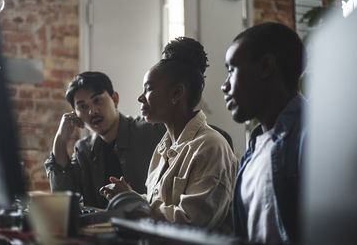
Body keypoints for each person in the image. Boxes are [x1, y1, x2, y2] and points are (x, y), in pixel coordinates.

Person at [100, 37, 237, 231]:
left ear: (176, 94)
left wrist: (131, 200)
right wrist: (132, 196)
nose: (140, 97)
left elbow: (191, 223)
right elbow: (162, 204)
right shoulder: (163, 147)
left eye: (148, 88)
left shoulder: (211, 147)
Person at [221, 22, 306, 244]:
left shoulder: (311, 138)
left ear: (265, 66)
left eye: (231, 70)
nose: (224, 86)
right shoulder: (253, 151)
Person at [45, 72, 166, 208]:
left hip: (149, 224)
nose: (92, 111)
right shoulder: (83, 149)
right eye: (83, 107)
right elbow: (63, 201)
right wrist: (60, 140)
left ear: (114, 99)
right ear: (76, 115)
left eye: (97, 100)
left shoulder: (151, 130)